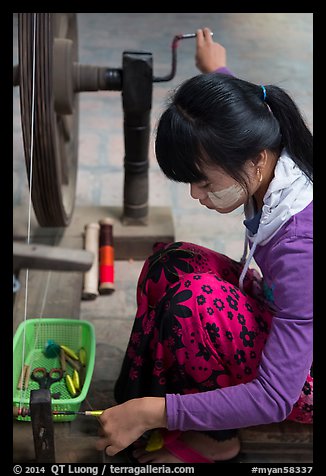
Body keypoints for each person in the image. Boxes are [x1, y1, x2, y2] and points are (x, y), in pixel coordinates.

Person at [96, 27, 313, 463]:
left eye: (202, 181)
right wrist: (217, 70)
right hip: (283, 312)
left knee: (198, 304)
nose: (197, 194)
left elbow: (273, 396)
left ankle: (215, 439)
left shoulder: (300, 248)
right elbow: (242, 111)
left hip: (301, 377)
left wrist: (159, 413)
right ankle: (151, 400)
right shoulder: (269, 137)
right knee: (171, 263)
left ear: (255, 160)